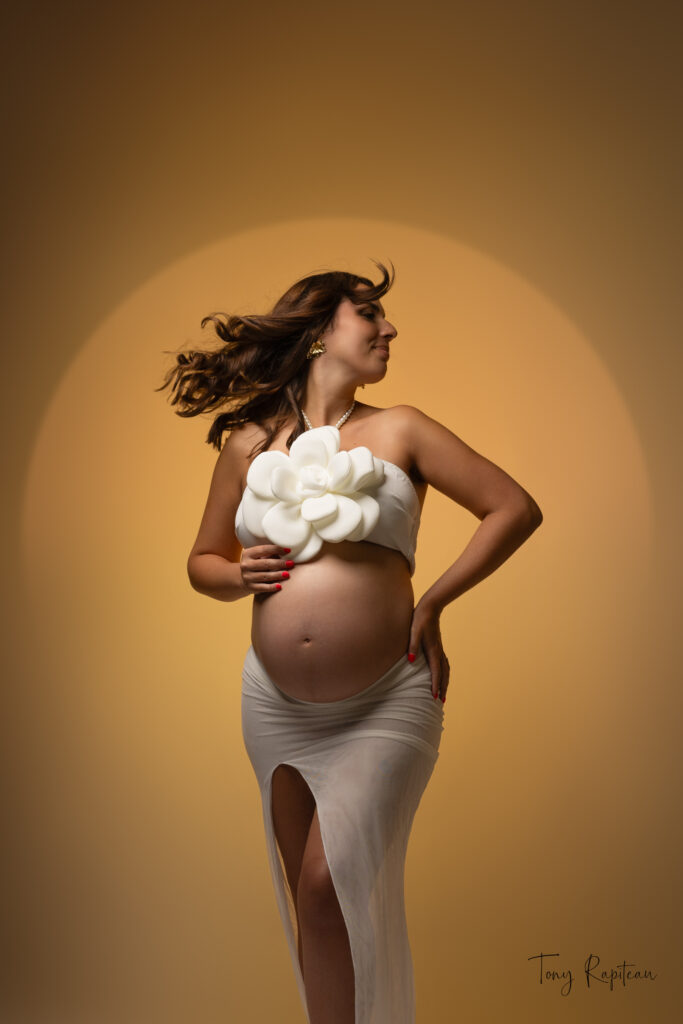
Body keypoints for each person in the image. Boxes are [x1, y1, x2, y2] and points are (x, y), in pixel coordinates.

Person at [157, 260, 543, 1024]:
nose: (388, 328)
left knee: (322, 885)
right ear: (315, 334)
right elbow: (203, 562)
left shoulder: (400, 427)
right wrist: (240, 577)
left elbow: (513, 507)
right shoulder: (247, 443)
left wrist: (432, 600)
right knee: (315, 913)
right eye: (368, 314)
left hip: (385, 697)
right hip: (274, 707)